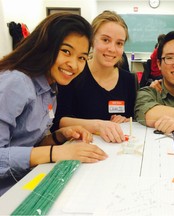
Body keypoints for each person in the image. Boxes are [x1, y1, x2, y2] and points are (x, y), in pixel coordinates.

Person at [0, 13, 108, 196]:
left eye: (82, 58)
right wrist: (55, 152)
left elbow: (27, 144)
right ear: (46, 45)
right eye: (66, 51)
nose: (74, 65)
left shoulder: (51, 87)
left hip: (27, 182)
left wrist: (58, 137)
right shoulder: (16, 83)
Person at [52, 10, 138, 143]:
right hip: (80, 149)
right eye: (105, 40)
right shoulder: (74, 73)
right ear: (92, 40)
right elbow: (60, 120)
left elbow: (133, 118)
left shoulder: (129, 80)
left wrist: (126, 121)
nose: (112, 49)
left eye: (119, 43)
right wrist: (99, 125)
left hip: (117, 150)